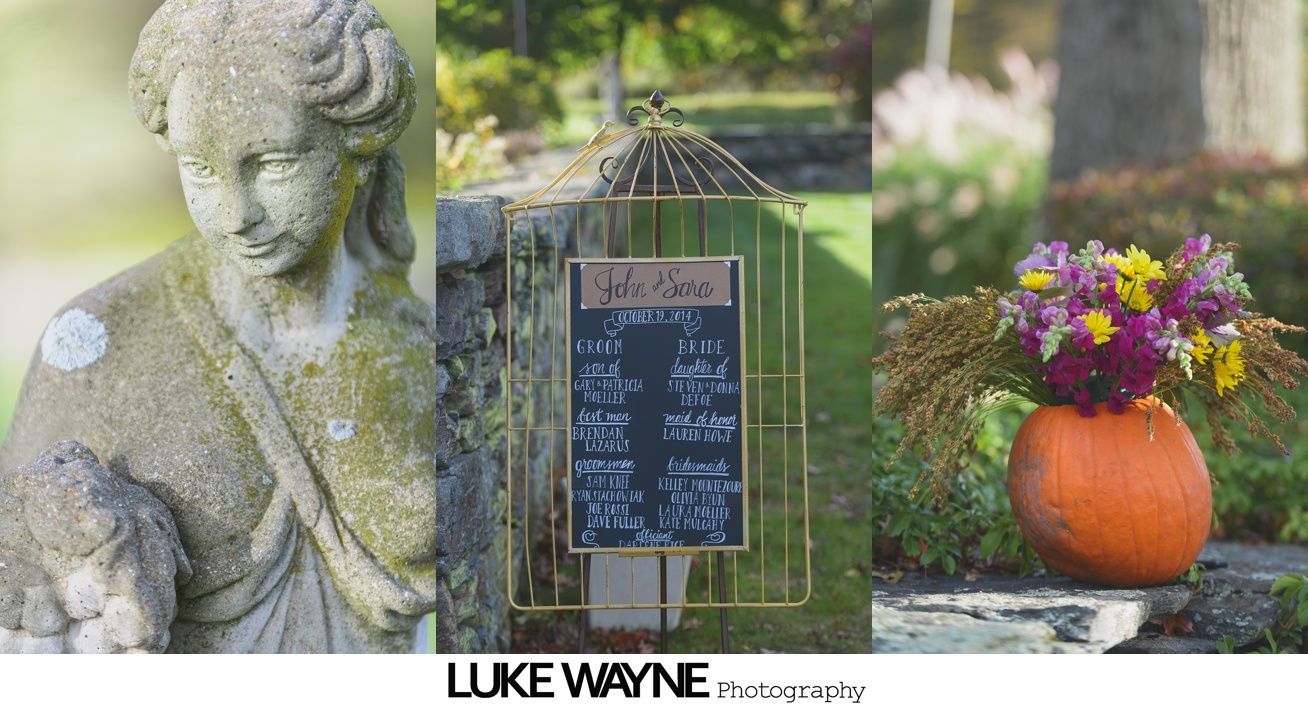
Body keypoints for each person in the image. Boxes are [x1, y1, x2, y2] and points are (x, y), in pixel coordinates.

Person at [0, 0, 435, 653]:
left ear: (360, 149)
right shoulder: (98, 341)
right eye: (200, 169)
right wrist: (69, 522)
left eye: (274, 164)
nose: (234, 214)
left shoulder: (409, 336)